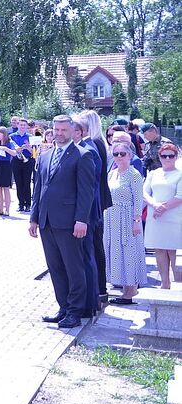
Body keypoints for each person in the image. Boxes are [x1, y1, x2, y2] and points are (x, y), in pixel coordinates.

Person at [29, 115, 97, 329]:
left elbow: (86, 192)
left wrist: (81, 220)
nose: (59, 133)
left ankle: (75, 312)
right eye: (56, 129)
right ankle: (64, 308)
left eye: (63, 130)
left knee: (73, 268)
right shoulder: (45, 156)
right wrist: (33, 218)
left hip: (70, 223)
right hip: (46, 221)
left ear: (72, 131)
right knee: (55, 268)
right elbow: (38, 189)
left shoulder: (83, 155)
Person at [78, 109, 113, 310]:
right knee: (96, 245)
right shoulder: (99, 143)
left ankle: (100, 290)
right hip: (99, 200)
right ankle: (101, 289)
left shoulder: (94, 144)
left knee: (95, 247)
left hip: (95, 202)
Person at [103, 141, 147, 304]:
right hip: (111, 217)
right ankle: (124, 289)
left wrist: (136, 220)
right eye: (116, 154)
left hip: (127, 217)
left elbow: (138, 199)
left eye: (123, 154)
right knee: (117, 252)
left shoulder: (134, 174)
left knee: (129, 251)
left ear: (130, 155)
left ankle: (131, 291)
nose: (119, 157)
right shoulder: (112, 173)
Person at [142, 143, 182, 288]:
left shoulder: (180, 174)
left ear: (176, 157)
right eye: (164, 156)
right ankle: (165, 282)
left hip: (173, 217)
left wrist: (163, 207)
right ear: (159, 157)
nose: (167, 158)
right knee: (159, 249)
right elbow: (144, 192)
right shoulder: (154, 173)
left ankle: (177, 281)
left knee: (172, 249)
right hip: (156, 216)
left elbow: (180, 196)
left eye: (171, 156)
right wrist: (155, 205)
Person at [9, 118, 34, 212]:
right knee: (18, 183)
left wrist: (29, 148)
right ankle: (21, 204)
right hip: (16, 161)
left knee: (27, 183)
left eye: (24, 125)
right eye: (21, 125)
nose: (22, 126)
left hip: (28, 161)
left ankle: (28, 204)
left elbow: (34, 153)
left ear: (27, 126)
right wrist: (16, 150)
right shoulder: (11, 136)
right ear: (17, 125)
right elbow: (11, 148)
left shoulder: (30, 137)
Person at [0, 127, 17, 216]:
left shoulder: (9, 142)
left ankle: (7, 210)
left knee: (6, 188)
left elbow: (14, 153)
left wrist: (5, 149)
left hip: (6, 165)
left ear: (4, 134)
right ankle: (0, 209)